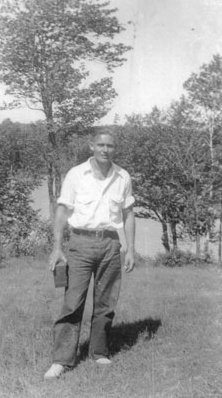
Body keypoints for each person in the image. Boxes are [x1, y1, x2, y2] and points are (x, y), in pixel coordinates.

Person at [44, 128, 135, 379]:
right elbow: (62, 212)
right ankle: (61, 360)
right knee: (72, 303)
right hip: (80, 244)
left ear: (115, 149)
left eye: (110, 146)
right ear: (91, 146)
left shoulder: (122, 176)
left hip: (111, 245)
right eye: (101, 145)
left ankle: (99, 352)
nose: (106, 150)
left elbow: (128, 215)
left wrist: (130, 248)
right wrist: (57, 248)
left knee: (106, 303)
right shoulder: (76, 175)